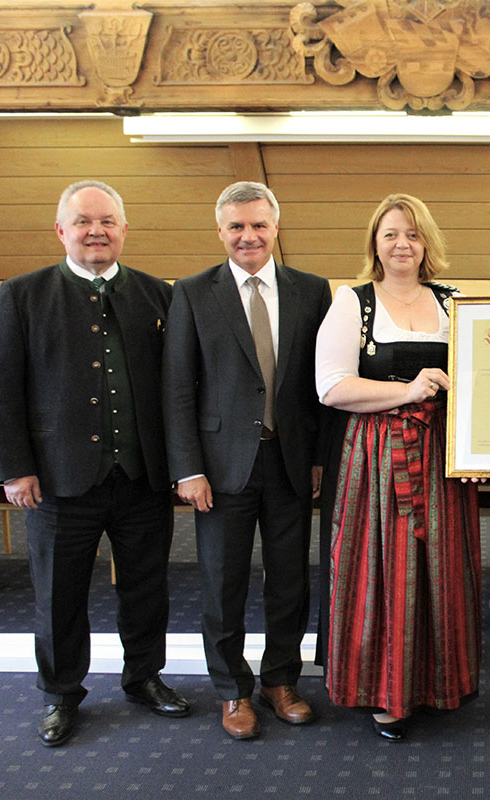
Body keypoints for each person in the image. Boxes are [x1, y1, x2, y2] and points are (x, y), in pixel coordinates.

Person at [0, 180, 189, 747]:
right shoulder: (22, 294)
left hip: (141, 476)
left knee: (146, 589)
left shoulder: (156, 294)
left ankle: (144, 677)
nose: (96, 231)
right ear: (61, 230)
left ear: (124, 229)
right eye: (84, 221)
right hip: (57, 480)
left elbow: (179, 385)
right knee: (58, 595)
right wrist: (14, 467)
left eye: (108, 221)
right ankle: (61, 694)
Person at [162, 181, 331, 740]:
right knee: (222, 582)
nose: (248, 235)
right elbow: (177, 388)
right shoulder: (191, 292)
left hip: (290, 462)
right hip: (219, 468)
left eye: (259, 225)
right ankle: (232, 689)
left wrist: (320, 458)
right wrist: (187, 468)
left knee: (289, 581)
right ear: (220, 231)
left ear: (276, 227)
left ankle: (280, 680)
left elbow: (320, 385)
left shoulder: (312, 291)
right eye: (236, 226)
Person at [315, 193, 481, 742]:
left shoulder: (456, 303)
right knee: (384, 569)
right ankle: (387, 691)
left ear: (426, 242)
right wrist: (406, 389)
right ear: (375, 244)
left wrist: (487, 444)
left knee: (439, 565)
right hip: (376, 457)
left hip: (442, 455)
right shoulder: (352, 302)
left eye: (411, 233)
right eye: (390, 234)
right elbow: (332, 387)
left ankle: (436, 682)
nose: (402, 244)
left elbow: (483, 383)